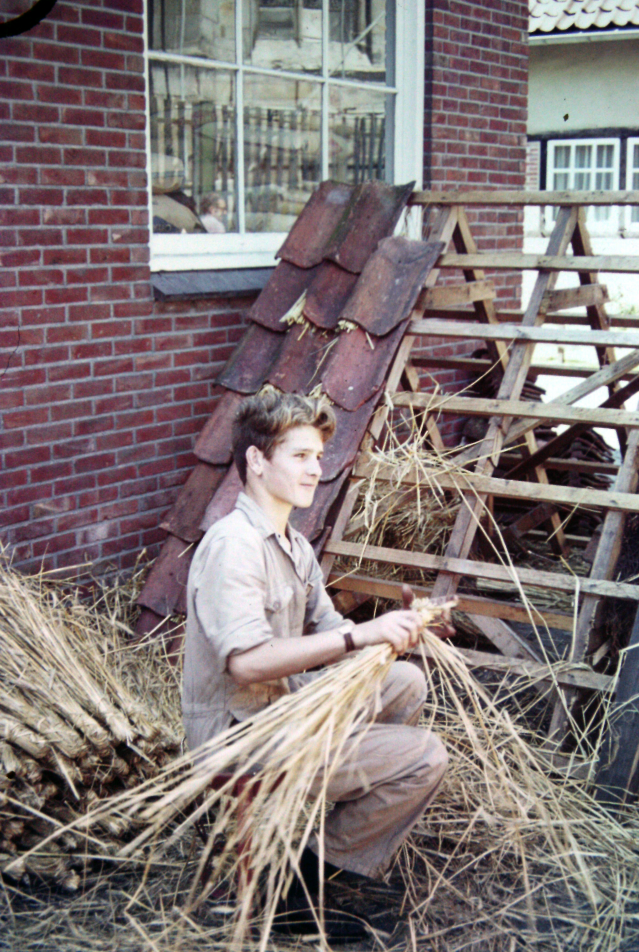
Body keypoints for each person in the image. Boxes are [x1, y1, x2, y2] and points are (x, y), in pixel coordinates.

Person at [182, 389, 453, 939]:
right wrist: (360, 640)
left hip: (280, 711)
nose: (316, 469)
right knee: (424, 757)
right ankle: (298, 886)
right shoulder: (233, 545)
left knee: (403, 679)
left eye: (318, 456)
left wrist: (398, 631)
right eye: (300, 456)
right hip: (241, 734)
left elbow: (332, 633)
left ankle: (318, 828)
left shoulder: (293, 544)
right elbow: (248, 665)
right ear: (257, 462)